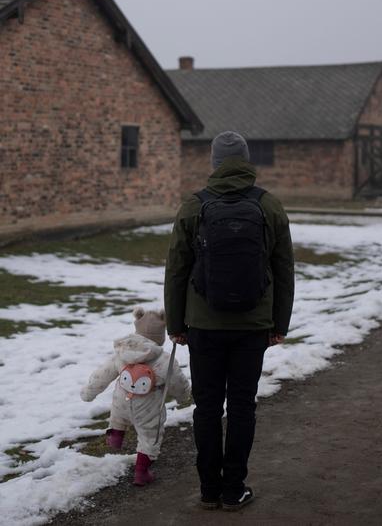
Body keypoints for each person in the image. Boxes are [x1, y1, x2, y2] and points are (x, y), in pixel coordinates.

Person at [164, 131, 294, 511]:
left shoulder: (193, 206)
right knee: (241, 406)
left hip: (204, 325)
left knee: (207, 407)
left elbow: (176, 269)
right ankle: (234, 488)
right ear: (247, 161)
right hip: (253, 325)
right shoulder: (268, 205)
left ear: (214, 162)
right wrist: (279, 323)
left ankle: (208, 489)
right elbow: (284, 269)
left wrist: (177, 323)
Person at [80, 306, 190, 486]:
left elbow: (103, 374)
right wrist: (184, 396)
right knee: (150, 436)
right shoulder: (164, 360)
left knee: (118, 415)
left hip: (121, 402)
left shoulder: (123, 352)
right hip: (148, 408)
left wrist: (88, 392)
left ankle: (115, 435)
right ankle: (141, 472)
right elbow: (177, 383)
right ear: (160, 336)